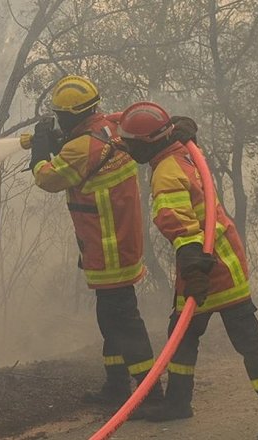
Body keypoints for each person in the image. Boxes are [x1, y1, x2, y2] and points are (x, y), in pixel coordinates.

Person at [116, 101, 258, 440]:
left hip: (214, 268)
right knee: (181, 336)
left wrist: (194, 267)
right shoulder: (180, 151)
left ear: (148, 142)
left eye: (132, 143)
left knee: (250, 342)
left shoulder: (166, 172)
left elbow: (180, 224)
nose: (129, 148)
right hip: (204, 262)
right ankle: (178, 403)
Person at [23, 75, 162, 412]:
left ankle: (150, 395)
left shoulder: (80, 148)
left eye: (60, 116)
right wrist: (57, 140)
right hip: (118, 242)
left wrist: (41, 152)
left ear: (71, 115)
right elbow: (84, 149)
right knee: (109, 318)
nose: (59, 120)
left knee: (124, 321)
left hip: (108, 247)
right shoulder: (111, 127)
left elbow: (47, 178)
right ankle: (116, 387)